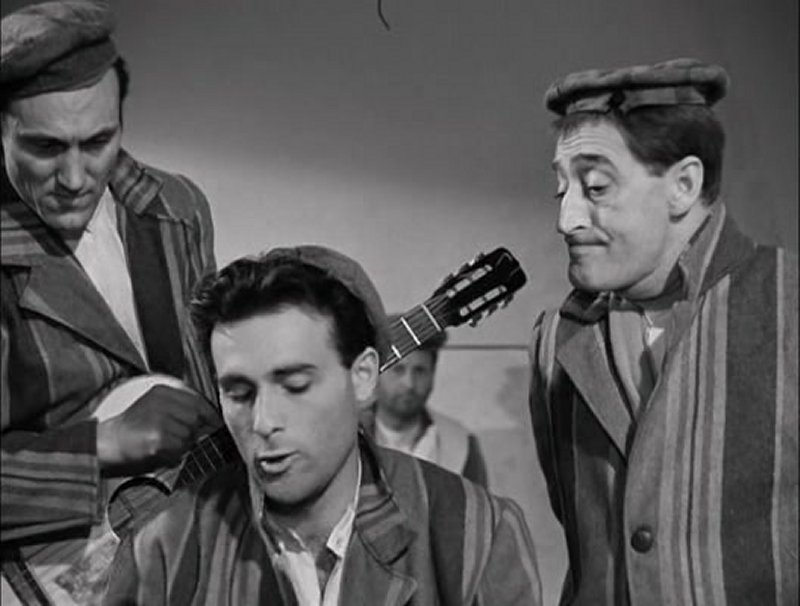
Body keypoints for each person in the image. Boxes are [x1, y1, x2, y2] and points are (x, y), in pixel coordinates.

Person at [103, 245, 542, 605]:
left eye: (295, 385)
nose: (263, 422)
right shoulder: (159, 547)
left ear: (364, 377)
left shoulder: (478, 534)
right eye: (237, 393)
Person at [528, 58, 798, 605]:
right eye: (562, 190)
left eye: (596, 187)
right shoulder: (557, 340)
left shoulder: (788, 305)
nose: (566, 219)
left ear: (683, 185)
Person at [1, 2, 219, 600]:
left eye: (98, 141)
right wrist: (105, 445)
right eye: (46, 147)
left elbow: (210, 384)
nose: (75, 178)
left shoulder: (177, 209)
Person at [362, 316, 489, 486]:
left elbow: (478, 502)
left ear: (433, 373)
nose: (409, 383)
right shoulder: (349, 436)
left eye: (419, 371)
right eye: (398, 370)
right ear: (376, 373)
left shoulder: (460, 443)